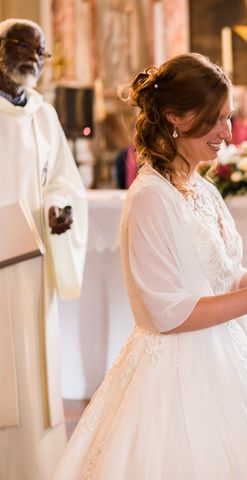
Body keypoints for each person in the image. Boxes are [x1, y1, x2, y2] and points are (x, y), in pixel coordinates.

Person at [54, 53, 247, 479]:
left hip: (227, 360)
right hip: (174, 375)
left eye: (228, 118)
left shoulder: (203, 188)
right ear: (175, 116)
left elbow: (223, 280)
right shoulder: (151, 197)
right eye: (216, 119)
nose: (228, 133)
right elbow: (167, 313)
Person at [0, 18, 88, 480]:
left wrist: (59, 209)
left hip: (32, 264)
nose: (33, 58)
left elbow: (62, 181)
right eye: (24, 47)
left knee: (33, 374)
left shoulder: (43, 113)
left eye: (41, 51)